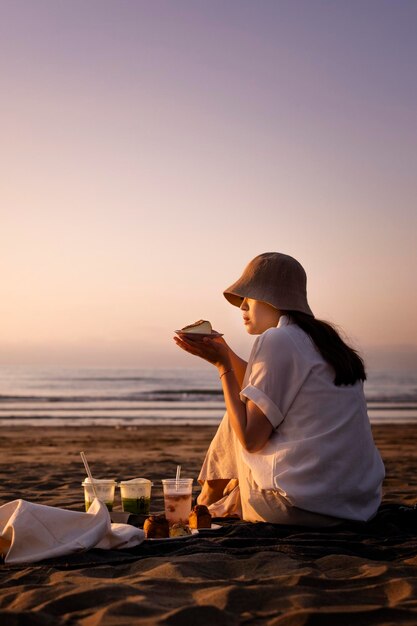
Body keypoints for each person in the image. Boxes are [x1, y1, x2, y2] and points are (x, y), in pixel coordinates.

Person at [174, 252, 385, 527]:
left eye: (249, 298)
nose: (242, 308)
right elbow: (263, 382)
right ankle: (213, 499)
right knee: (250, 399)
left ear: (271, 299)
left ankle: (204, 500)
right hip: (355, 503)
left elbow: (251, 439)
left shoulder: (278, 339)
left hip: (301, 506)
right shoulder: (324, 341)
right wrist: (224, 351)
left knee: (238, 412)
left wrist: (222, 366)